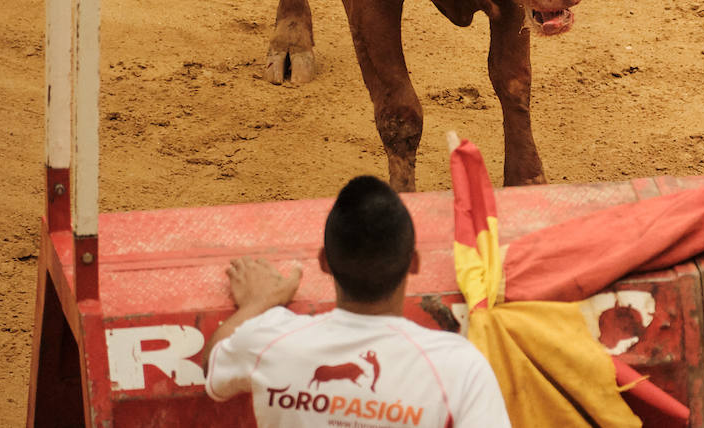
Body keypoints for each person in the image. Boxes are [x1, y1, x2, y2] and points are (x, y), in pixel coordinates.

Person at [204, 175, 512, 427]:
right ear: (414, 263)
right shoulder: (459, 366)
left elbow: (214, 361)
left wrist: (259, 302)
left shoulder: (270, 340)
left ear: (324, 262)